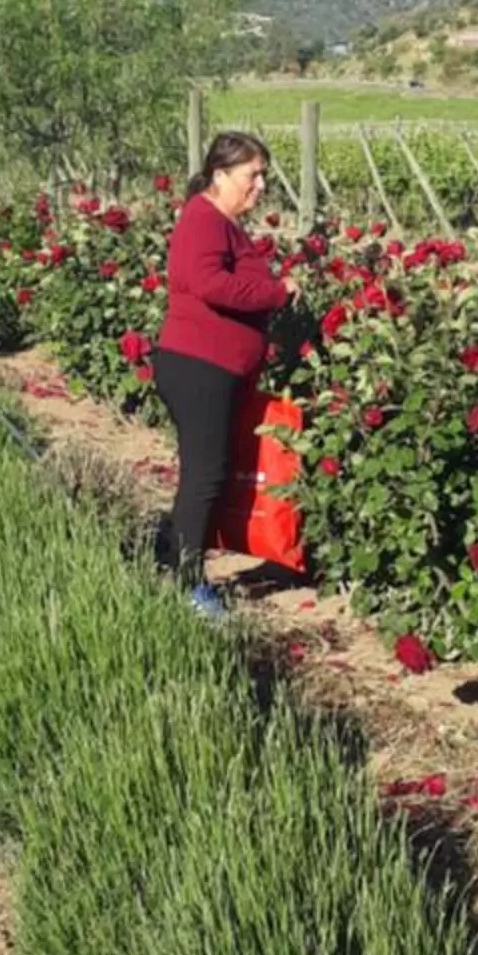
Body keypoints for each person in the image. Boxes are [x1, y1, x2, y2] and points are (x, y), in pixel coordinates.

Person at [154, 130, 291, 616]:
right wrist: (278, 294)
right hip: (199, 368)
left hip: (210, 368)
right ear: (220, 174)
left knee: (204, 474)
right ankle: (190, 587)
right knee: (205, 476)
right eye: (252, 175)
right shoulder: (204, 219)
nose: (260, 186)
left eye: (263, 177)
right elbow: (209, 282)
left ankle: (169, 555)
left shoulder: (220, 222)